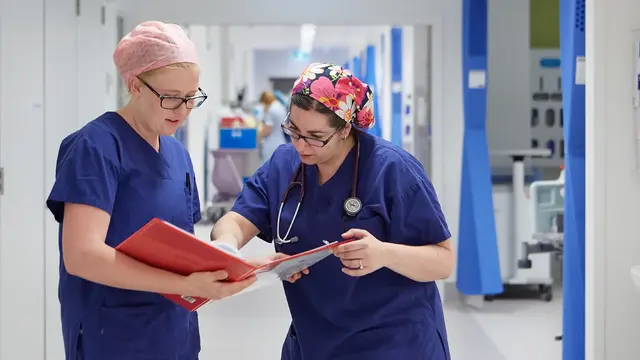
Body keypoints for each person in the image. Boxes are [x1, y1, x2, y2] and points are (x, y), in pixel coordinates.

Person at [211, 62, 455, 360]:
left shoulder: (392, 169)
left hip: (392, 343)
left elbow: (443, 261)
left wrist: (384, 254)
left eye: (315, 136)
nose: (301, 144)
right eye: (293, 129)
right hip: (314, 340)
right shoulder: (284, 165)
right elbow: (235, 221)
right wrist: (226, 247)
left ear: (345, 128)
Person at [45, 21, 256, 360]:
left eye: (192, 98)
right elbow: (82, 256)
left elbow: (178, 247)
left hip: (173, 331)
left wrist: (236, 266)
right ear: (134, 84)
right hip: (112, 334)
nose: (184, 110)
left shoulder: (178, 155)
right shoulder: (96, 147)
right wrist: (185, 286)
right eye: (172, 99)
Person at [257, 90, 288, 163]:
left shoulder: (271, 110)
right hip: (280, 141)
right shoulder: (280, 106)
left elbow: (268, 128)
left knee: (268, 167)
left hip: (271, 143)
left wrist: (258, 137)